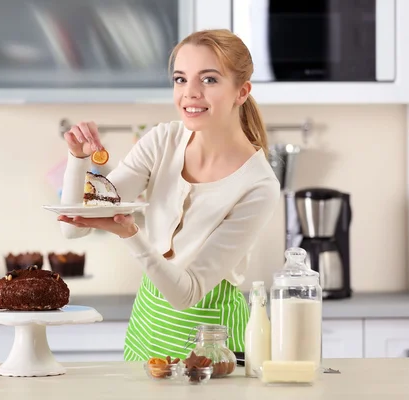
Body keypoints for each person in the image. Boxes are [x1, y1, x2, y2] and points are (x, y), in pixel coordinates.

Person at [57, 29, 280, 362]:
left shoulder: (258, 185)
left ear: (241, 92)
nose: (189, 93)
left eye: (209, 80)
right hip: (148, 323)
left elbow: (185, 294)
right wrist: (78, 159)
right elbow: (74, 227)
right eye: (180, 79)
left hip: (210, 335)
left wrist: (131, 234)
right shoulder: (162, 140)